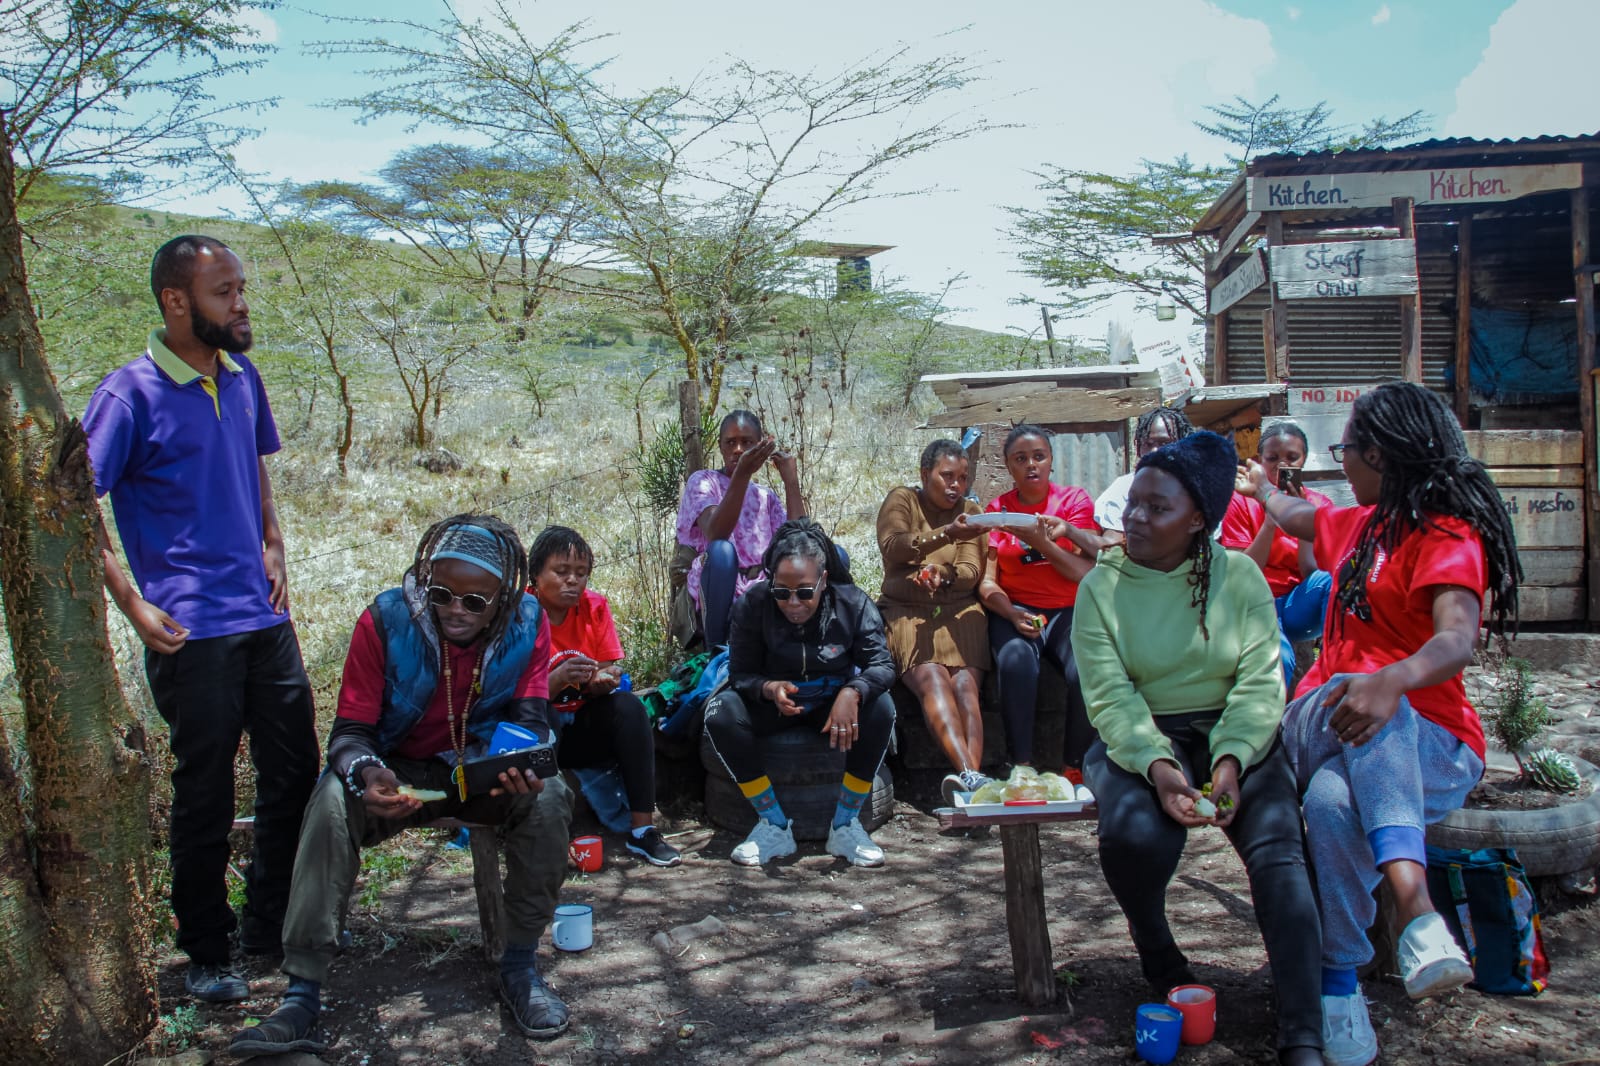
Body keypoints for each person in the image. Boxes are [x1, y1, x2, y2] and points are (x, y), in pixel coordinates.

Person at [1237, 382, 1520, 1066]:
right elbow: (1292, 511)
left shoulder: (1448, 535)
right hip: (1323, 714)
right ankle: (1416, 908)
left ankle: (1338, 991)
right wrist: (1258, 488)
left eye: (1348, 450)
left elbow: (1457, 638)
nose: (1344, 462)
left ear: (1383, 456)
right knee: (1357, 694)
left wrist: (1394, 678)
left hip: (1436, 746)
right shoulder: (1356, 526)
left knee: (1336, 800)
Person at [229, 517, 575, 1057]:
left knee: (551, 798)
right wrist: (368, 774)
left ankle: (520, 965)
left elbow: (531, 716)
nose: (454, 610)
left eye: (474, 602)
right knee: (328, 801)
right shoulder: (386, 621)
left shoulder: (527, 622)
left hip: (477, 771)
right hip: (395, 770)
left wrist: (520, 759)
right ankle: (301, 994)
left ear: (503, 601)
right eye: (442, 594)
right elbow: (349, 734)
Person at [83, 234, 320, 1002]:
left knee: (295, 773)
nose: (241, 304)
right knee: (206, 790)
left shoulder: (243, 376)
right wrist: (132, 602)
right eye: (225, 292)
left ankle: (270, 925)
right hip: (189, 631)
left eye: (242, 288)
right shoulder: (128, 395)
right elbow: (73, 503)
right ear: (175, 301)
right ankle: (208, 951)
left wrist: (274, 544)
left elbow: (255, 461)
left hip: (262, 616)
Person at [1072, 431, 1323, 1066]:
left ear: (1197, 522)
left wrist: (1232, 760)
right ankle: (1157, 951)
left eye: (1158, 509)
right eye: (1135, 503)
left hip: (1236, 730)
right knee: (1133, 836)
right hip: (1141, 735)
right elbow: (1109, 696)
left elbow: (1262, 681)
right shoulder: (1101, 587)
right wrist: (1160, 769)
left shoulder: (1238, 578)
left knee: (1280, 856)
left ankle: (1303, 1030)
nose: (1136, 518)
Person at [704, 519, 896, 867]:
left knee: (881, 707)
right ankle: (774, 825)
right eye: (782, 591)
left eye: (805, 592)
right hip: (776, 705)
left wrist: (853, 691)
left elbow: (881, 665)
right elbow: (740, 673)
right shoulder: (752, 604)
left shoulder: (852, 604)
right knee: (720, 713)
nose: (793, 603)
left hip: (831, 705)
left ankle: (845, 824)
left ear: (823, 581)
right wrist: (767, 688)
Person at [529, 524, 681, 867]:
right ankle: (542, 833)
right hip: (538, 730)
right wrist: (555, 681)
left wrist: (600, 681)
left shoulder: (593, 607)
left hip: (582, 728)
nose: (573, 581)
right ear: (535, 574)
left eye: (581, 574)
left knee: (629, 708)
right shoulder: (521, 614)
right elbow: (514, 695)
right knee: (544, 713)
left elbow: (606, 669)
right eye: (561, 571)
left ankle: (642, 831)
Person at [974, 424, 1098, 788]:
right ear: (1008, 467)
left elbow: (1082, 574)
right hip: (1016, 609)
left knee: (1085, 669)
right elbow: (987, 581)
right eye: (1020, 459)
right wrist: (1011, 613)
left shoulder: (1073, 502)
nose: (1031, 465)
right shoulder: (998, 511)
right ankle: (1021, 765)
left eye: (1038, 456)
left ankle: (1075, 765)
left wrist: (1041, 543)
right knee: (1016, 662)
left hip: (1068, 610)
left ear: (1051, 461)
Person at [875, 439, 993, 804]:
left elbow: (971, 570)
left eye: (962, 477)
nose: (955, 485)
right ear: (925, 474)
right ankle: (973, 778)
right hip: (908, 610)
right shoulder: (903, 500)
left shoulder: (971, 510)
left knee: (965, 688)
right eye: (946, 476)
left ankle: (970, 782)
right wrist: (945, 535)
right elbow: (894, 545)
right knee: (933, 680)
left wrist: (942, 574)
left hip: (959, 611)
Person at [674, 410, 804, 648]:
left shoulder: (766, 497)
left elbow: (800, 540)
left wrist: (790, 481)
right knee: (723, 552)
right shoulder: (703, 482)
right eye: (731, 442)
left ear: (760, 448)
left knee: (830, 555)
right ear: (720, 447)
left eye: (747, 443)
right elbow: (716, 534)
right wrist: (742, 474)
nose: (738, 449)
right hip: (718, 583)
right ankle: (717, 651)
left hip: (764, 584)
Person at [1221, 422, 1334, 688]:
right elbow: (1242, 572)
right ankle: (1274, 725)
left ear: (1304, 459)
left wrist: (1303, 520)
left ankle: (1337, 656)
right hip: (1256, 602)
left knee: (1331, 580)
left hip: (1296, 604)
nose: (1281, 466)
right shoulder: (1240, 501)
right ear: (1260, 462)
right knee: (1281, 659)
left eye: (1292, 458)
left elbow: (1311, 572)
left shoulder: (1318, 505)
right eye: (1272, 459)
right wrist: (1272, 521)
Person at [1094, 405, 1194, 541]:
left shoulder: (1199, 490)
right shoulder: (1123, 489)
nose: (1154, 451)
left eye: (1164, 443)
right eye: (1148, 444)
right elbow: (1111, 547)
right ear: (1138, 448)